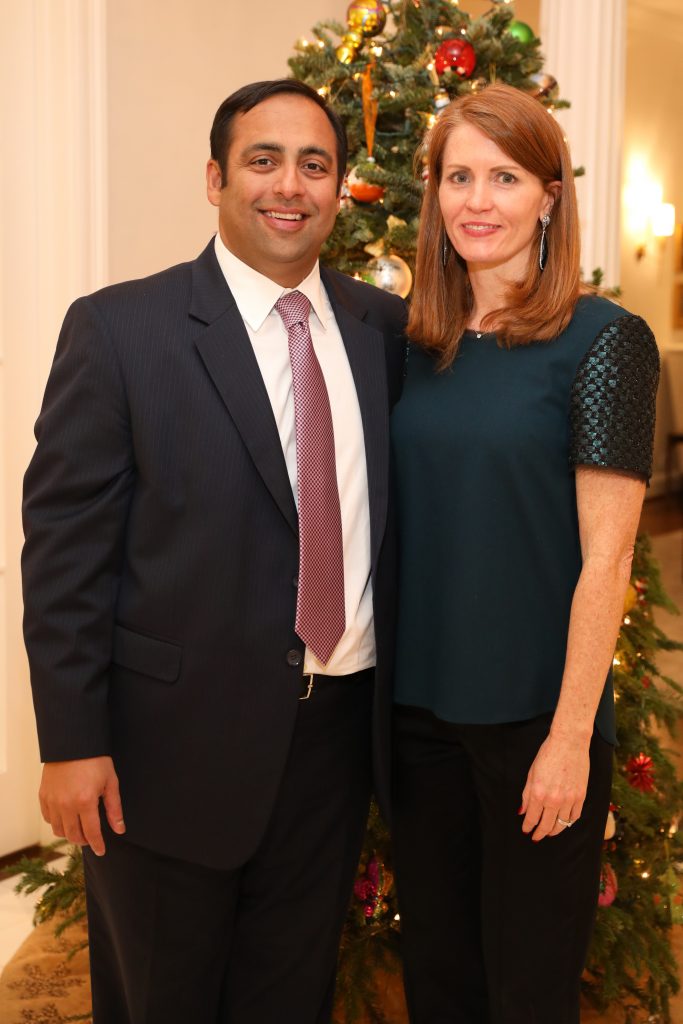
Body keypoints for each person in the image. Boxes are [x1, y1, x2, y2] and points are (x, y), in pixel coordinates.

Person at [22, 78, 406, 1024]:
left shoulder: (383, 332)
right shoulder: (120, 329)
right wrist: (73, 743)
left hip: (332, 743)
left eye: (314, 165)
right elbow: (65, 552)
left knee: (291, 995)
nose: (289, 185)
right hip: (166, 755)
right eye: (262, 160)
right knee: (163, 999)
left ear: (340, 187)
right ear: (214, 178)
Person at [390, 82, 659, 1024]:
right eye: (456, 176)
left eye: (503, 177)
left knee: (527, 991)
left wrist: (569, 739)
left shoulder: (603, 343)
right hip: (414, 715)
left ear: (549, 194)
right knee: (439, 977)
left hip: (534, 722)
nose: (476, 200)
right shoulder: (410, 344)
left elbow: (607, 559)